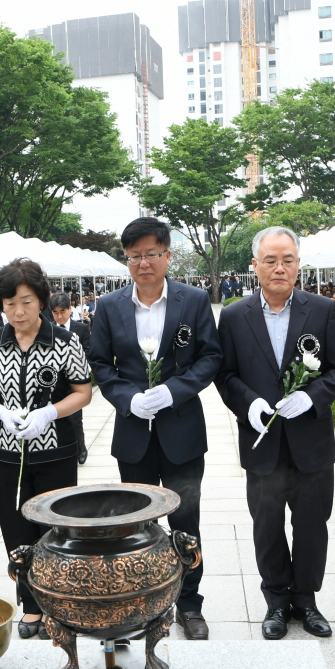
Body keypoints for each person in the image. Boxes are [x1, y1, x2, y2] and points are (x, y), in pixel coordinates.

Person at [215, 227, 335, 640]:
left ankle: (306, 600)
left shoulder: (323, 309)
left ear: (298, 264)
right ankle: (276, 602)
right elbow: (225, 374)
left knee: (313, 523)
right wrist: (249, 403)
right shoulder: (236, 315)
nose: (280, 268)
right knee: (267, 523)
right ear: (254, 266)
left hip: (310, 440)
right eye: (271, 260)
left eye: (288, 260)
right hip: (263, 443)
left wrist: (312, 398)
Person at [88, 217, 222, 640]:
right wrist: (128, 398)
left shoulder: (194, 300)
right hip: (133, 433)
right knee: (136, 524)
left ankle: (189, 604)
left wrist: (173, 392)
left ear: (167, 255)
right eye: (134, 256)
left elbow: (210, 358)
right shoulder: (109, 307)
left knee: (186, 520)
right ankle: (143, 603)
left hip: (181, 430)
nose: (143, 263)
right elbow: (99, 364)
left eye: (151, 254)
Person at [0, 260, 92, 638]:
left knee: (55, 529)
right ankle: (30, 605)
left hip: (55, 452)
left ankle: (60, 604)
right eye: (9, 304)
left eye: (25, 302)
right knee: (16, 530)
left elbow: (83, 392)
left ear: (41, 299)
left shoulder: (64, 341)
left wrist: (50, 413)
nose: (18, 312)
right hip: (8, 455)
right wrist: (0, 412)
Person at [50, 292, 92, 464]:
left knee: (75, 419)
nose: (59, 316)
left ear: (70, 309)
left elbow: (88, 352)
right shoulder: (48, 329)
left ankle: (80, 448)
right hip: (54, 382)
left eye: (63, 312)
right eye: (55, 313)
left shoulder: (80, 328)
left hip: (75, 382)